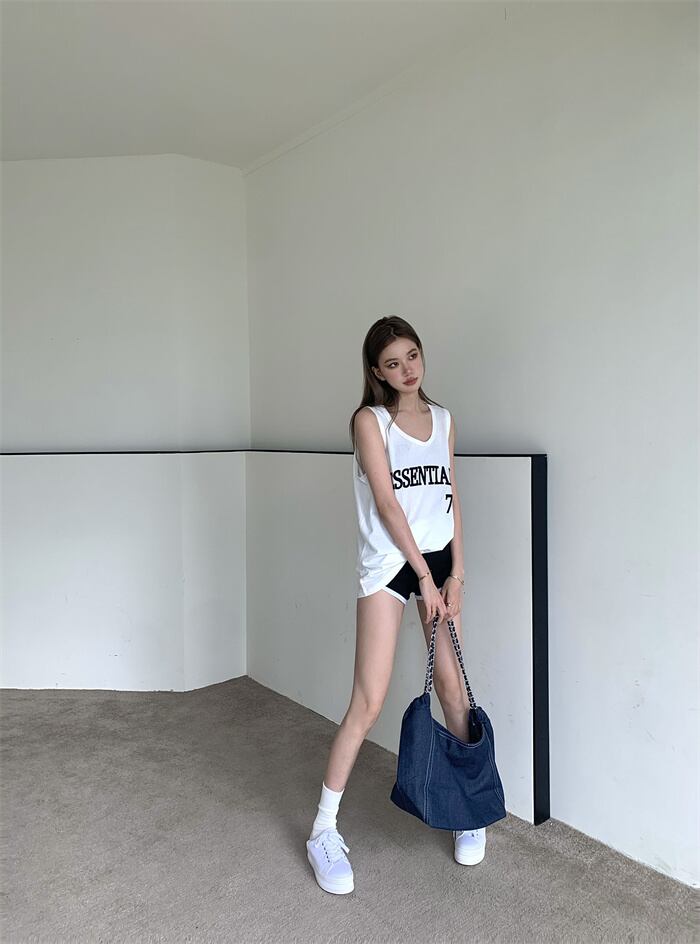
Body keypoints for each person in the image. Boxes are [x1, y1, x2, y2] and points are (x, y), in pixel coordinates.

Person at [306, 316, 486, 895]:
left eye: (412, 355)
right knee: (369, 699)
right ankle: (323, 830)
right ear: (376, 372)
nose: (407, 369)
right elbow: (386, 503)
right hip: (389, 563)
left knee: (454, 691)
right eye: (393, 363)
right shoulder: (370, 421)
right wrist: (424, 579)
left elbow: (452, 495)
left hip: (438, 562)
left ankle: (466, 809)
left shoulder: (445, 419)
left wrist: (456, 573)